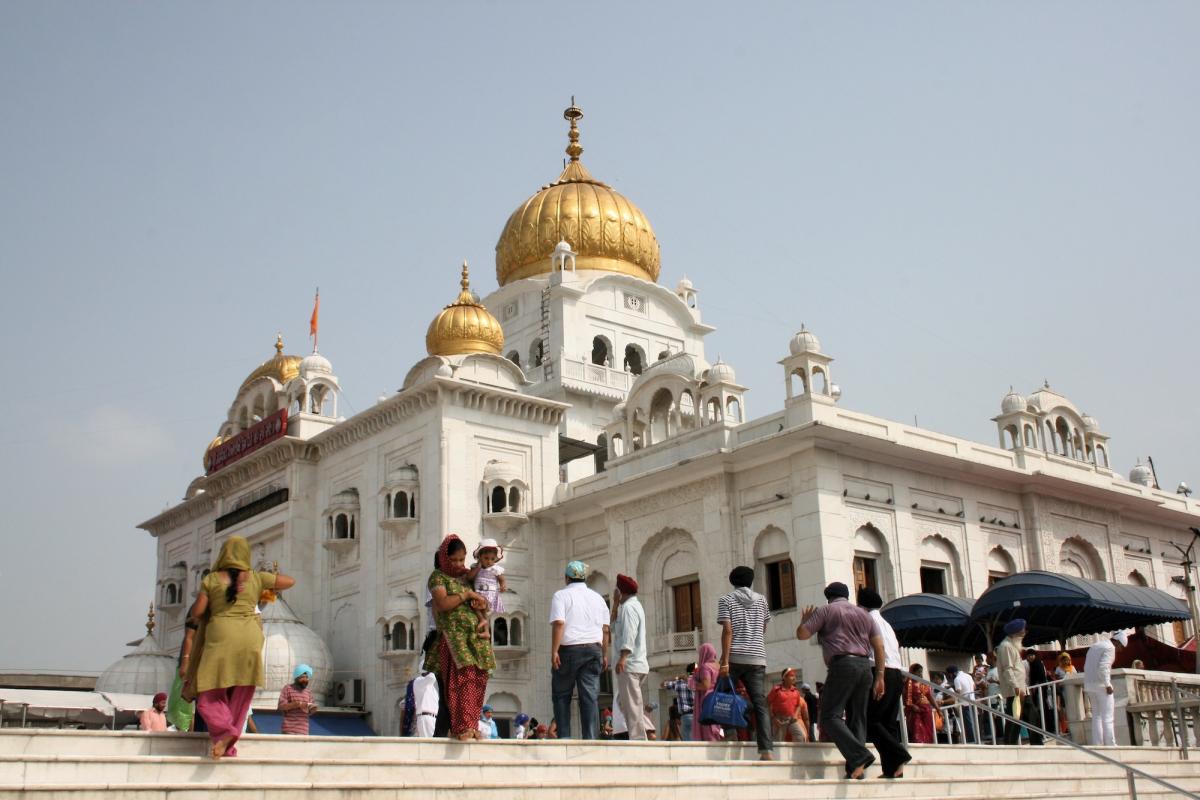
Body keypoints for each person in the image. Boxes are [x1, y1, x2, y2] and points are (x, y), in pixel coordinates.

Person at [181, 535, 294, 759]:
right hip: (250, 638)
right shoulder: (255, 578)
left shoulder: (212, 579)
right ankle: (228, 745)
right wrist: (263, 586)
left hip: (221, 637)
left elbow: (197, 613)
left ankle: (225, 732)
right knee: (241, 694)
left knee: (209, 694)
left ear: (224, 554)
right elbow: (289, 581)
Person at [796, 581, 885, 780]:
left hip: (842, 664)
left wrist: (805, 621)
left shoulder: (826, 611)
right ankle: (856, 768)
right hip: (865, 666)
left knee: (829, 716)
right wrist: (880, 675)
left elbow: (802, 635)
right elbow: (879, 647)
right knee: (858, 718)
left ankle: (859, 756)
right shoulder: (864, 614)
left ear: (828, 596)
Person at [428, 534, 496, 740]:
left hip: (475, 638)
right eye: (454, 560)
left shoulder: (467, 577)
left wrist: (481, 604)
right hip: (454, 639)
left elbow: (486, 599)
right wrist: (466, 596)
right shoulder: (438, 578)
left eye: (461, 559)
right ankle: (461, 728)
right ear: (444, 559)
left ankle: (471, 725)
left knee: (477, 680)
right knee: (461, 681)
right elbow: (442, 604)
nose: (458, 564)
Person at [717, 566, 775, 761]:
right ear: (751, 581)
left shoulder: (726, 600)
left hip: (734, 657)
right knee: (760, 703)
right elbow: (764, 627)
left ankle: (731, 735)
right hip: (757, 657)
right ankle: (766, 750)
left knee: (722, 696)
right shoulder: (762, 600)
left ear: (732, 581)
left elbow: (727, 631)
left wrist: (724, 661)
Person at [549, 560, 610, 739]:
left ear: (567, 578)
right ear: (584, 578)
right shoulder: (598, 598)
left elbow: (559, 623)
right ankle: (590, 738)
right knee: (589, 696)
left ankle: (565, 738)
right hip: (594, 650)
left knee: (562, 694)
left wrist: (554, 651)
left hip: (569, 650)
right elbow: (606, 629)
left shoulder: (561, 595)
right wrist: (604, 654)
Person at [857, 587, 910, 778]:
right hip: (897, 672)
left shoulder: (866, 620)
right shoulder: (886, 623)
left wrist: (877, 676)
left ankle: (899, 754)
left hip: (880, 670)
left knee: (871, 720)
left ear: (861, 604)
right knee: (888, 722)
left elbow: (870, 648)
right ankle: (893, 769)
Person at [611, 573, 650, 740]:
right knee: (625, 703)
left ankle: (639, 739)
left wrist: (623, 658)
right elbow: (613, 627)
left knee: (632, 705)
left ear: (621, 591)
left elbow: (629, 634)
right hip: (635, 664)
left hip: (631, 664)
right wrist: (614, 604)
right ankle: (642, 731)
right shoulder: (628, 606)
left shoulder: (629, 608)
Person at [1085, 630, 1128, 746]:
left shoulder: (1095, 646)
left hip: (1090, 685)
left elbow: (1087, 666)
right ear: (1118, 642)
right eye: (1121, 647)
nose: (1120, 650)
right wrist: (1108, 684)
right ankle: (1111, 744)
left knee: (1097, 717)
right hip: (1101, 686)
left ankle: (1098, 744)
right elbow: (1103, 668)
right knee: (1108, 717)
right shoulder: (1110, 648)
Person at [997, 618, 1028, 745]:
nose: (1024, 634)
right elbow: (1007, 669)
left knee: (1020, 718)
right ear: (1015, 633)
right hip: (1014, 691)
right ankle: (1010, 744)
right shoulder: (1006, 647)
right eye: (1022, 632)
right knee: (1014, 719)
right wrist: (1016, 687)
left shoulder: (1012, 646)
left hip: (1021, 689)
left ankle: (1013, 743)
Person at [766, 668, 809, 743]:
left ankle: (796, 754)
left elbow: (798, 705)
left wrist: (795, 715)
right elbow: (767, 703)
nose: (794, 678)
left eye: (794, 676)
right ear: (784, 677)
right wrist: (773, 718)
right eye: (791, 676)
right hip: (779, 720)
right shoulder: (776, 690)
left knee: (800, 736)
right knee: (779, 742)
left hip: (792, 719)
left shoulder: (796, 691)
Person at [692, 642, 724, 741]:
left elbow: (706, 685)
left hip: (707, 699)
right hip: (718, 698)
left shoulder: (706, 667)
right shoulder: (718, 666)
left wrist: (693, 684)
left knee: (708, 727)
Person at [469, 538, 507, 615]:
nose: (489, 561)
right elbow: (470, 577)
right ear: (479, 556)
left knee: (485, 611)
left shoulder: (495, 569)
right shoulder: (476, 567)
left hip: (490, 594)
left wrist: (503, 586)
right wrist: (478, 567)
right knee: (477, 609)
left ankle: (484, 622)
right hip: (478, 593)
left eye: (492, 559)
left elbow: (501, 579)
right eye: (486, 558)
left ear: (495, 558)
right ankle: (483, 622)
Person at [661, 664, 697, 741]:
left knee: (687, 741)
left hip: (686, 716)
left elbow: (663, 684)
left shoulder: (680, 683)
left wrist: (677, 677)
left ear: (687, 672)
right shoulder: (700, 682)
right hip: (698, 715)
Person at [278, 665, 317, 735]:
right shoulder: (287, 688)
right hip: (289, 731)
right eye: (302, 677)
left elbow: (311, 709)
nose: (305, 680)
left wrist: (313, 709)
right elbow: (281, 706)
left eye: (307, 677)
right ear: (296, 677)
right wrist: (297, 704)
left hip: (303, 731)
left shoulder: (308, 692)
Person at [904, 663, 936, 744]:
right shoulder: (908, 684)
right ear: (912, 672)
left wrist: (938, 709)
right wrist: (912, 706)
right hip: (915, 711)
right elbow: (906, 699)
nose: (920, 674)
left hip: (926, 710)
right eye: (918, 672)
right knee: (917, 730)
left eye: (921, 672)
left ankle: (928, 745)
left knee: (928, 730)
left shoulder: (923, 683)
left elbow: (929, 697)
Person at [1023, 651, 1049, 745]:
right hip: (1036, 690)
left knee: (1041, 709)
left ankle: (1045, 729)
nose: (1030, 657)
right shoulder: (1031, 664)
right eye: (1028, 656)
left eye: (1031, 655)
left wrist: (1036, 687)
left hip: (1040, 690)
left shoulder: (1037, 663)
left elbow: (1040, 677)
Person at [947, 664, 977, 744]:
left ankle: (971, 740)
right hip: (972, 701)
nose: (950, 676)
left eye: (949, 674)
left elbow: (958, 691)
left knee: (968, 723)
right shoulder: (967, 675)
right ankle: (976, 738)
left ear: (952, 673)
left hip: (965, 703)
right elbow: (974, 687)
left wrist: (951, 691)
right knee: (974, 721)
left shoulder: (957, 679)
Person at [410, 670, 439, 737]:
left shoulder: (432, 686)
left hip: (434, 718)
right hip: (425, 717)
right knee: (429, 745)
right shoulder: (419, 681)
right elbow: (432, 678)